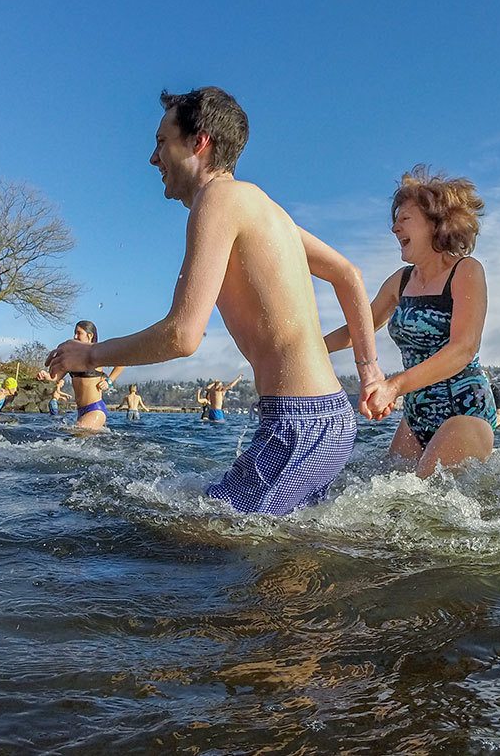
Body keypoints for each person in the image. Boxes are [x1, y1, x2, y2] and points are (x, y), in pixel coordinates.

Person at [45, 86, 385, 516]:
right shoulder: (263, 206)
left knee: (202, 541)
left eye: (161, 142)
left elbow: (183, 336)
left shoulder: (218, 199)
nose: (153, 159)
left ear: (199, 142)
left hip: (299, 422)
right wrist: (369, 371)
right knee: (270, 553)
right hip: (326, 418)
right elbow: (349, 275)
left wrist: (89, 353)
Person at [325, 166, 497, 477]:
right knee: (386, 500)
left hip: (464, 414)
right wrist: (307, 347)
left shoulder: (466, 271)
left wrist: (393, 386)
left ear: (437, 224)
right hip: (416, 418)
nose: (394, 228)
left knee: (419, 501)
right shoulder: (400, 282)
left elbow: (463, 350)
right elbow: (359, 330)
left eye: (404, 219)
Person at [38, 320, 125, 430]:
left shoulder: (96, 354)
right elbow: (54, 378)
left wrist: (109, 381)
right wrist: (45, 375)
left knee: (77, 433)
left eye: (79, 333)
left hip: (95, 410)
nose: (75, 336)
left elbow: (121, 362)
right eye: (74, 333)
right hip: (80, 411)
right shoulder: (72, 358)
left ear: (90, 335)